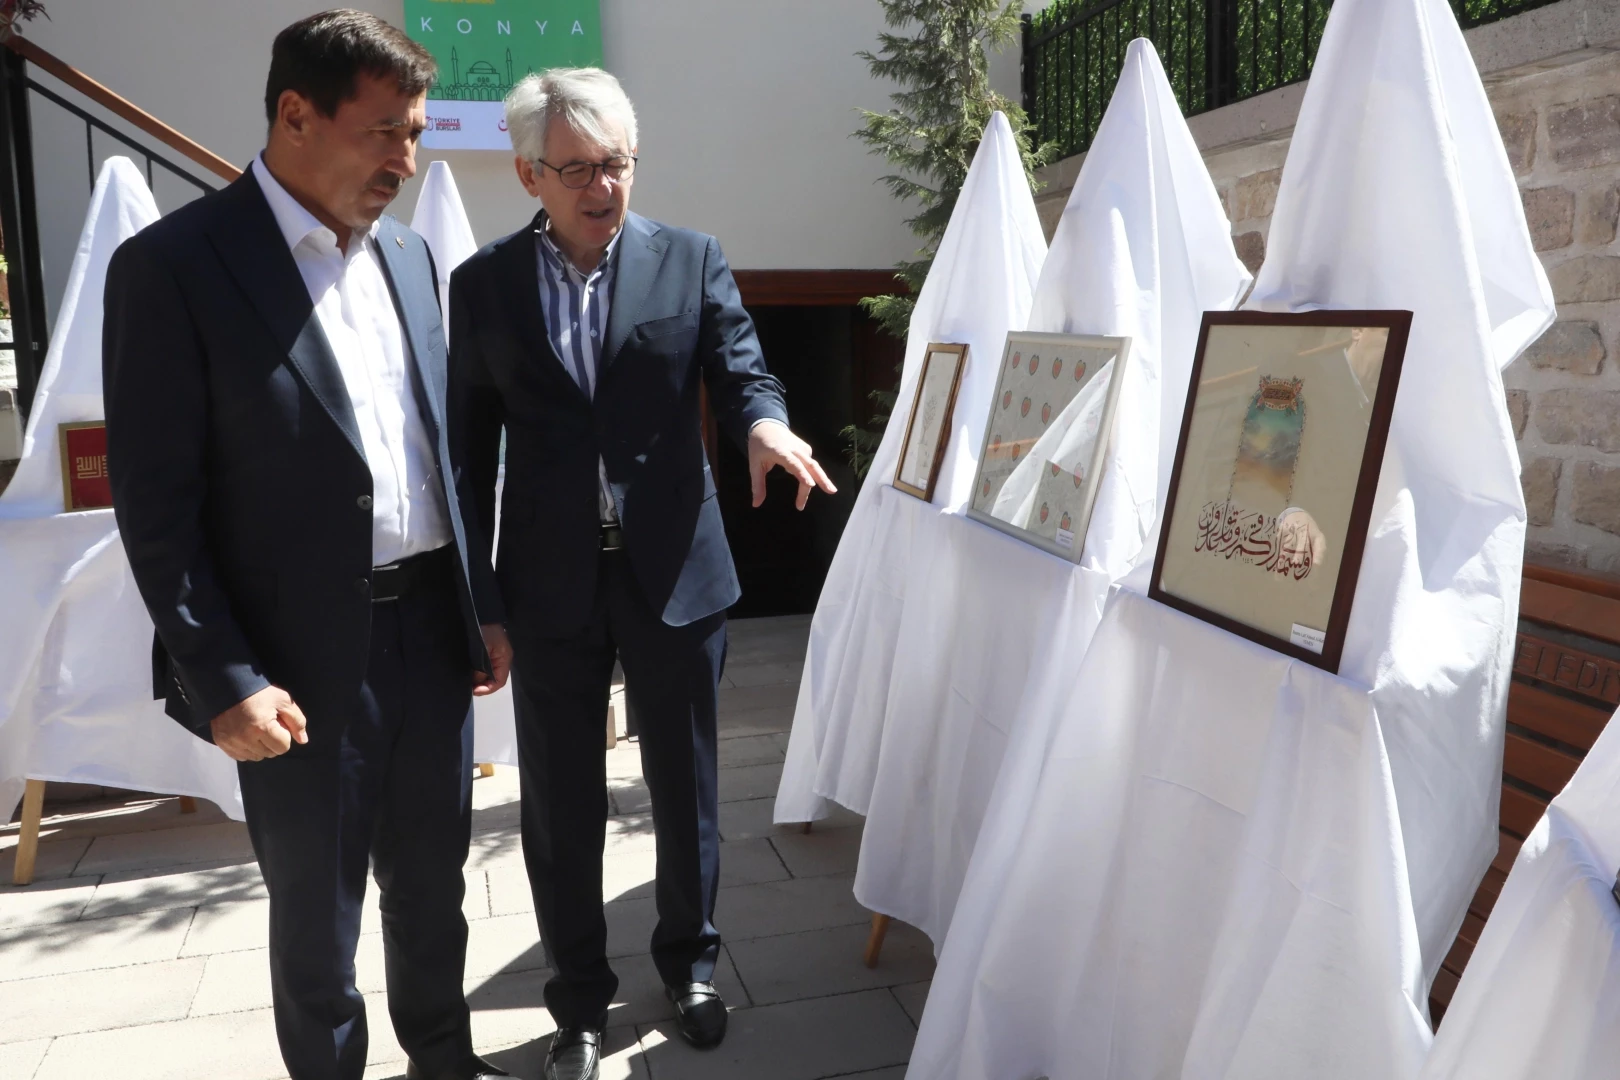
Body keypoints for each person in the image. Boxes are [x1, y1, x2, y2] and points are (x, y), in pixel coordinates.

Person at [102, 11, 511, 1080]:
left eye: (414, 133)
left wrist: (480, 605)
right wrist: (224, 677)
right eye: (384, 133)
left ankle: (445, 1061)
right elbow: (157, 506)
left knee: (435, 886)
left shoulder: (409, 257)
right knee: (319, 920)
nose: (405, 161)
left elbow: (437, 452)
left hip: (431, 635)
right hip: (295, 664)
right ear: (295, 114)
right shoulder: (175, 267)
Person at [447, 67, 835, 1080]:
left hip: (676, 574)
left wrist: (764, 425)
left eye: (615, 164)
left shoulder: (689, 258)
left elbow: (742, 369)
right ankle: (578, 1001)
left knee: (687, 786)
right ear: (530, 175)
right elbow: (464, 455)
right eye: (576, 169)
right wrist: (482, 603)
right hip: (548, 585)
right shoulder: (484, 285)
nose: (602, 187)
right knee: (561, 806)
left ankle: (691, 966)